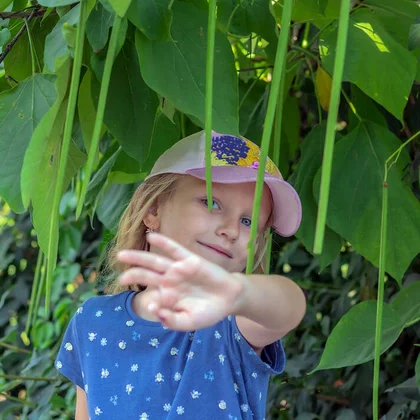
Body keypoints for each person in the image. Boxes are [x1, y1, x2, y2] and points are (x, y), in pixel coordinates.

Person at [54, 131, 306, 420]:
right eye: (211, 202)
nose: (232, 229)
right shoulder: (92, 321)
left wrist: (239, 294)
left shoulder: (233, 321)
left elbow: (289, 306)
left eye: (248, 221)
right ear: (153, 209)